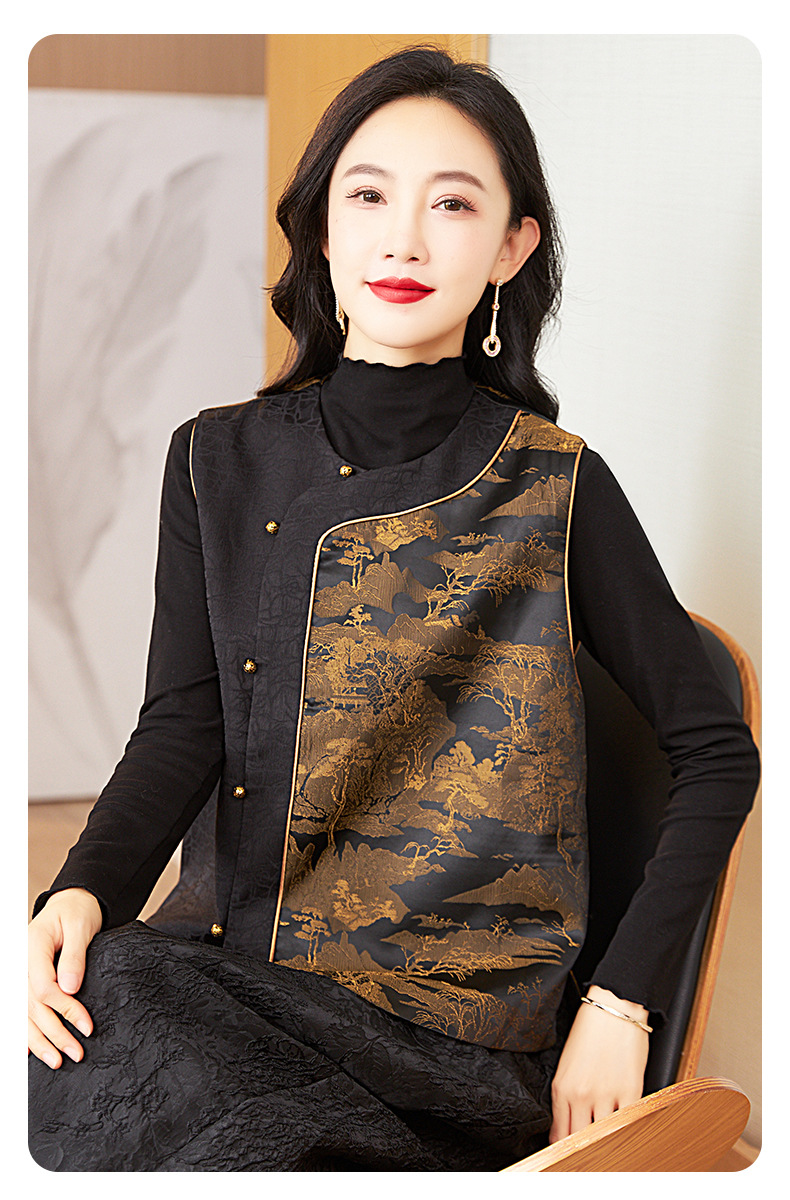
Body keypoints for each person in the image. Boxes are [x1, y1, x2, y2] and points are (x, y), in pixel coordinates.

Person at [28, 46, 760, 1172]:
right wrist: (81, 891)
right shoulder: (214, 461)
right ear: (323, 229)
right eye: (367, 196)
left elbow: (715, 751)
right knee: (83, 999)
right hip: (226, 979)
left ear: (512, 247)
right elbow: (183, 723)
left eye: (452, 205)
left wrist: (621, 1004)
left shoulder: (555, 483)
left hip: (451, 1034)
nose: (403, 240)